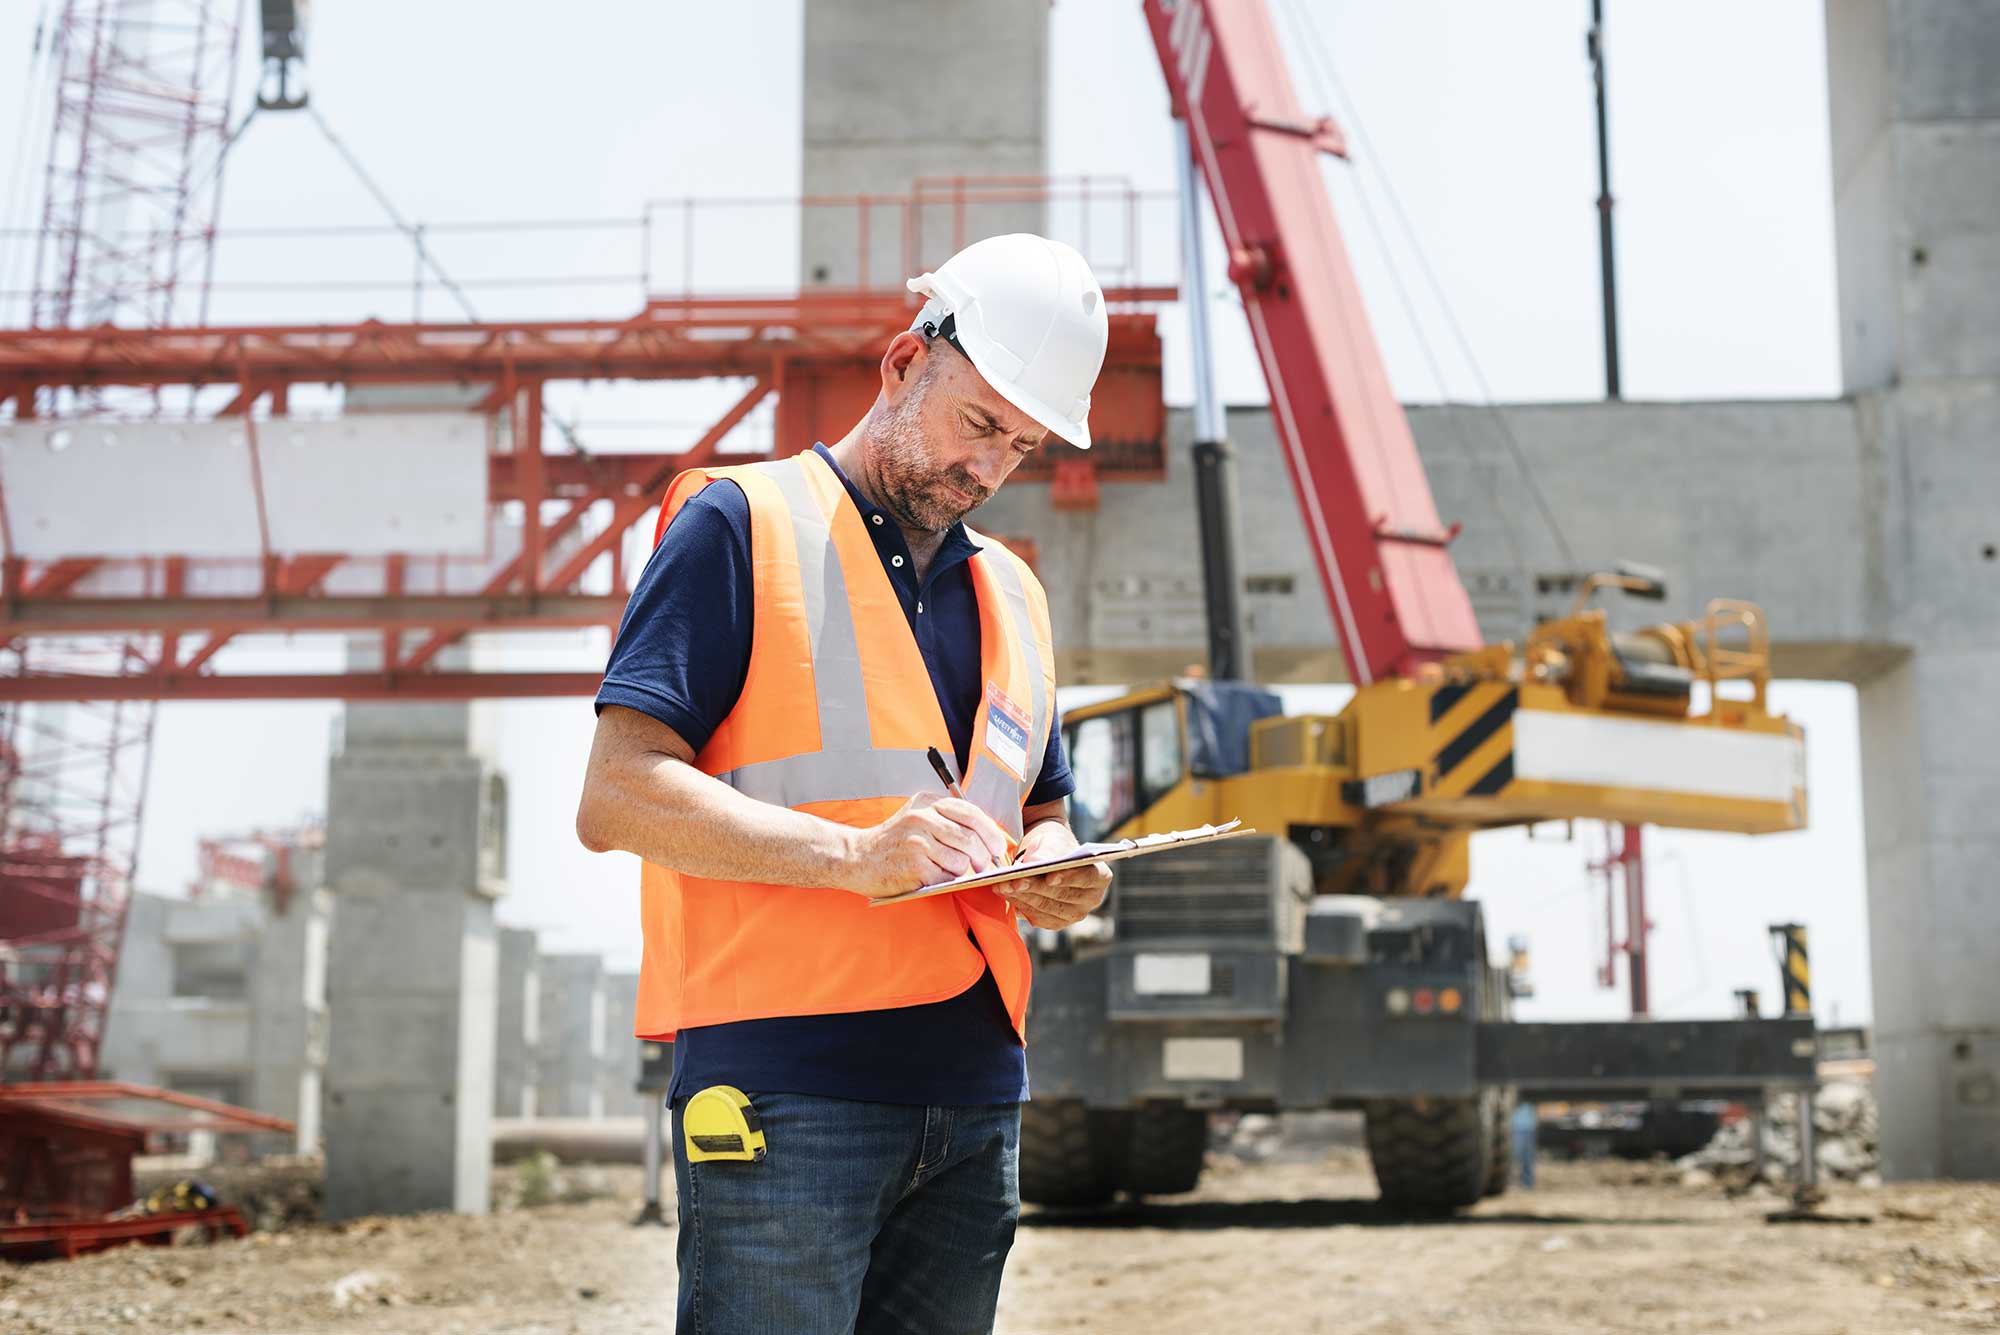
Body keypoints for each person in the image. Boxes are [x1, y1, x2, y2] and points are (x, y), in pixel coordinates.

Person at [575, 233, 1116, 1335]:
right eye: (978, 423)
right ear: (902, 363)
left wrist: (1065, 867)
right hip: (788, 1089)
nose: (988, 467)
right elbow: (617, 794)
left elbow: (1042, 810)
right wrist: (853, 856)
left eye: (1020, 445)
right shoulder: (741, 525)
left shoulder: (1012, 593)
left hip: (973, 1100)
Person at [1512, 1097, 1540, 1189]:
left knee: (1527, 1157)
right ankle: (1516, 1181)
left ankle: (1527, 1182)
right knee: (1516, 1155)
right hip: (1517, 1127)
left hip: (1528, 1127)